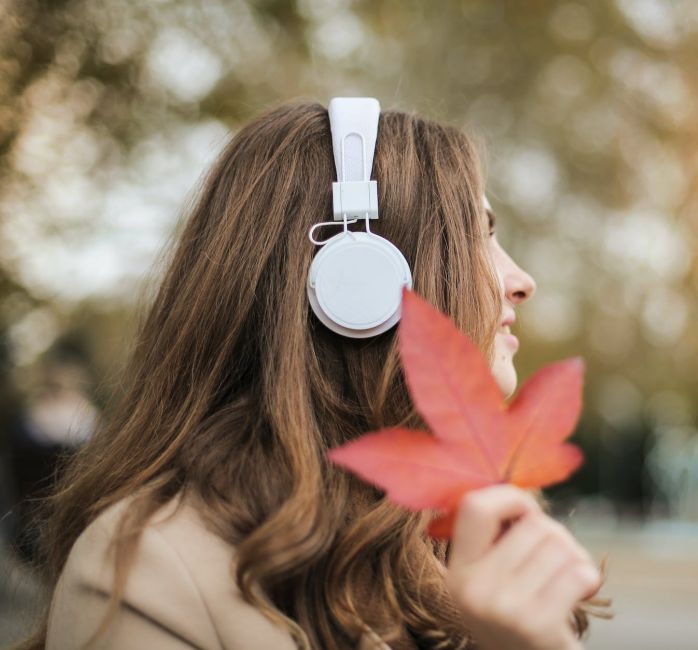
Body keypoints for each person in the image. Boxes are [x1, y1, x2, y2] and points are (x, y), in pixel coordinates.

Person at [18, 99, 611, 650]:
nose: (521, 279)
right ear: (362, 285)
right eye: (476, 238)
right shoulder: (149, 568)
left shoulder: (466, 532)